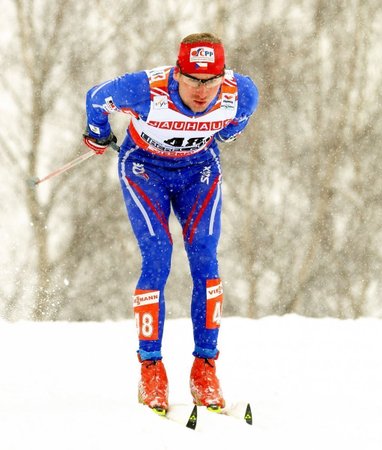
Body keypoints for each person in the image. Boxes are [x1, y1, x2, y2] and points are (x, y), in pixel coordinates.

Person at [83, 32, 259, 414]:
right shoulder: (145, 89)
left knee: (205, 259)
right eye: (193, 80)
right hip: (145, 169)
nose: (201, 91)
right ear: (177, 73)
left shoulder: (240, 93)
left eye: (210, 80)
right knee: (159, 254)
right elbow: (96, 97)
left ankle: (205, 368)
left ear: (222, 77)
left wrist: (207, 136)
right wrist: (97, 133)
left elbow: (233, 125)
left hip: (198, 171)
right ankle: (151, 370)